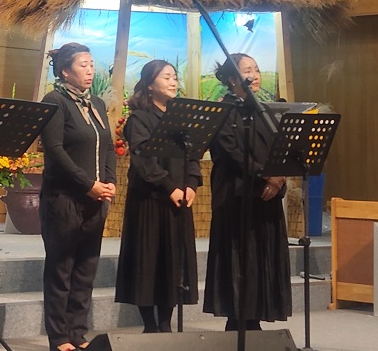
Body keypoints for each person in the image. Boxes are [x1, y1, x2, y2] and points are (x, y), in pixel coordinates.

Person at [204, 53, 291, 331]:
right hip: (237, 196)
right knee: (240, 259)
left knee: (264, 258)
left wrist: (278, 179)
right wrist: (265, 175)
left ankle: (256, 320)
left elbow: (282, 148)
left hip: (267, 195)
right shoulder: (224, 111)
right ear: (232, 79)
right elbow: (229, 152)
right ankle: (238, 322)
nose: (254, 75)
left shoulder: (265, 111)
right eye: (246, 70)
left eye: (256, 69)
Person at [39, 43, 116, 351]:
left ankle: (78, 331)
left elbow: (108, 146)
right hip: (64, 198)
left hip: (96, 199)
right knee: (61, 269)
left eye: (92, 64)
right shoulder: (55, 100)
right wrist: (87, 184)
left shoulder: (96, 103)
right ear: (65, 71)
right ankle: (59, 336)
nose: (90, 70)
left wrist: (109, 183)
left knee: (86, 269)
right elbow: (55, 151)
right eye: (83, 65)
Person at [115, 60, 200, 333]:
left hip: (179, 198)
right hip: (150, 200)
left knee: (173, 261)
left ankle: (166, 323)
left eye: (174, 76)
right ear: (150, 84)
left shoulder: (180, 118)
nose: (173, 82)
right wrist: (169, 187)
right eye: (166, 77)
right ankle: (150, 325)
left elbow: (193, 154)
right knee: (148, 259)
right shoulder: (139, 118)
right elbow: (143, 159)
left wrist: (191, 184)